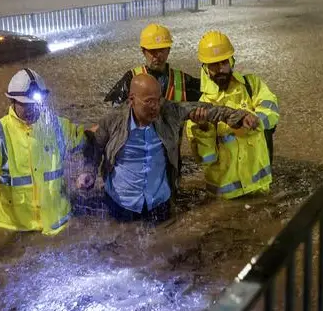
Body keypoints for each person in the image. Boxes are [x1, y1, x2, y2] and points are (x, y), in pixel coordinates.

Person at [80, 74, 258, 223]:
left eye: (158, 100)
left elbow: (210, 110)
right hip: (121, 204)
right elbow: (95, 147)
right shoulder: (112, 121)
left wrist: (240, 117)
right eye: (149, 102)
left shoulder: (169, 111)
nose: (155, 107)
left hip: (159, 205)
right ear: (132, 100)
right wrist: (88, 172)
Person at [0, 68, 85, 235]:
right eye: (26, 104)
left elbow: (87, 138)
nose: (32, 109)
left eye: (36, 104)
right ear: (12, 101)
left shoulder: (57, 126)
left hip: (58, 226)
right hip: (17, 233)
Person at [186, 31, 279, 199]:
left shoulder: (252, 85)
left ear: (232, 61)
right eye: (213, 65)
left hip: (259, 188)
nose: (220, 68)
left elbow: (272, 111)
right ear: (205, 69)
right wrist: (203, 128)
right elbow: (206, 159)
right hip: (226, 198)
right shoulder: (200, 108)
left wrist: (256, 120)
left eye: (223, 62)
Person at [104, 23, 201, 106]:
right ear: (143, 51)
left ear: (168, 50)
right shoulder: (131, 78)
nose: (158, 56)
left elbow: (208, 92)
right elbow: (114, 112)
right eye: (153, 51)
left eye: (161, 50)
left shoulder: (183, 80)